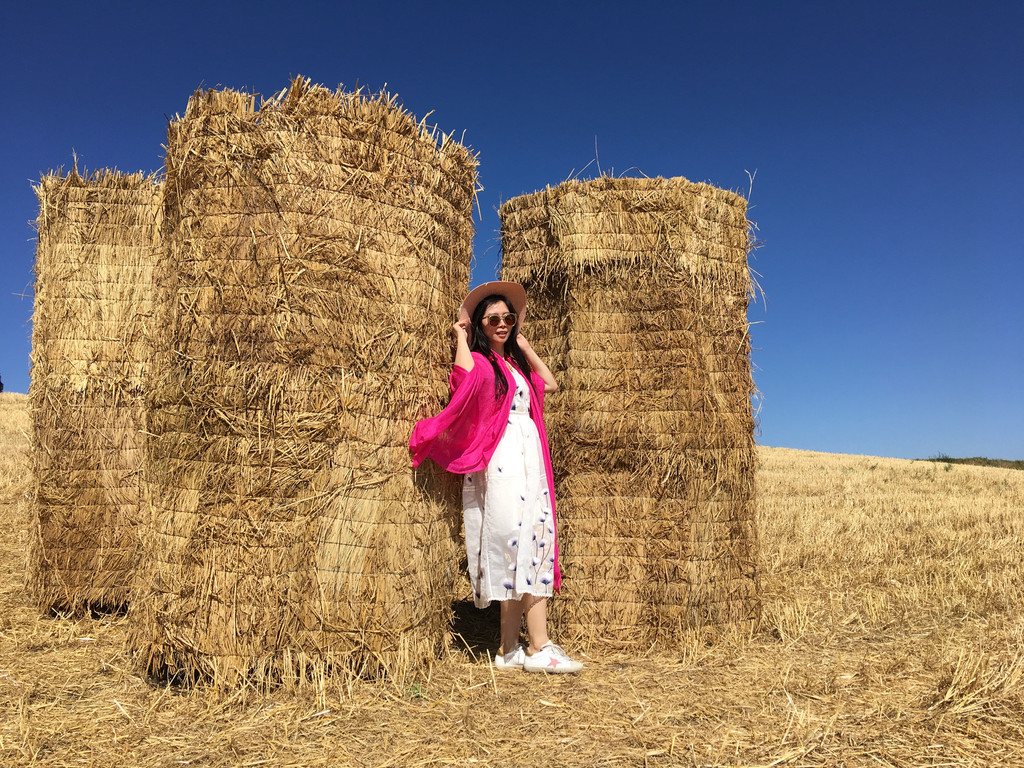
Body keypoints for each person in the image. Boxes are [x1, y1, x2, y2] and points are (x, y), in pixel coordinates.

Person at [410, 281, 583, 673]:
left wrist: (523, 345)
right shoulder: (483, 363)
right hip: (502, 456)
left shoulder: (515, 366)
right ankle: (537, 648)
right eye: (493, 320)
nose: (502, 324)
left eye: (508, 318)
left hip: (528, 456)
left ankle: (509, 650)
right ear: (481, 325)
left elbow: (551, 383)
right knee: (515, 541)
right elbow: (462, 379)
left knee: (530, 538)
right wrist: (460, 334)